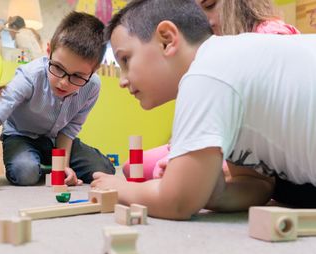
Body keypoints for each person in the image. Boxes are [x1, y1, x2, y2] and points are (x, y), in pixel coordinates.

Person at [92, 0, 316, 220]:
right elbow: (258, 185)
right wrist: (215, 194)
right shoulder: (226, 62)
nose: (122, 80)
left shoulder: (205, 72)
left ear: (167, 40)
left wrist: (119, 188)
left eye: (126, 59)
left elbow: (178, 203)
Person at [124, 0, 300, 181]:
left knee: (173, 172)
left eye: (209, 6)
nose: (203, 21)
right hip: (227, 142)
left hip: (263, 146)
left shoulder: (271, 37)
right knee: (135, 167)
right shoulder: (209, 56)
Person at [0, 11, 115, 185]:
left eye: (77, 76)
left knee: (104, 170)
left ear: (93, 71)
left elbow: (69, 130)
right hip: (20, 136)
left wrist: (61, 165)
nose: (63, 83)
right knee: (25, 172)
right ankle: (41, 166)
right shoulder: (29, 76)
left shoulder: (92, 86)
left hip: (55, 141)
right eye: (58, 68)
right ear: (49, 51)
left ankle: (48, 166)